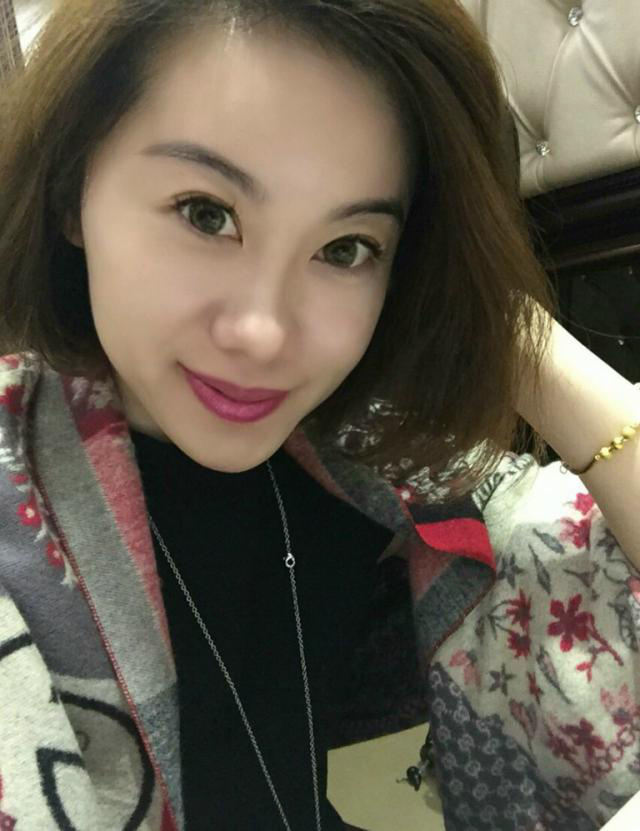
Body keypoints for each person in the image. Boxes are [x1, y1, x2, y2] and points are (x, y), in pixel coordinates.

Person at [0, 1, 638, 829]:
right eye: (205, 212)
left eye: (345, 249)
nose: (264, 331)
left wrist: (518, 341)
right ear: (69, 190)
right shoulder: (20, 523)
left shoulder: (366, 469)